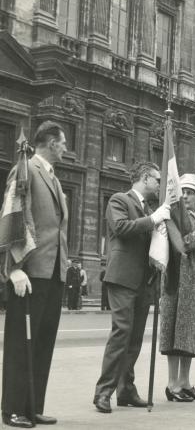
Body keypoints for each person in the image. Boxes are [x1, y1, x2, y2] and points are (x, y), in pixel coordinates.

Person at [1, 121, 68, 427]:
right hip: (29, 271)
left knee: (42, 342)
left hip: (53, 272)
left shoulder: (52, 176)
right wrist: (14, 268)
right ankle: (13, 408)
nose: (66, 148)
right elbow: (12, 216)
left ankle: (32, 405)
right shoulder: (25, 169)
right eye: (63, 143)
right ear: (51, 143)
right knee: (19, 343)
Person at [93, 161, 170, 413]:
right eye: (157, 180)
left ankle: (126, 390)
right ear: (145, 178)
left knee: (135, 339)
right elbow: (122, 228)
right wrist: (152, 219)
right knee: (121, 334)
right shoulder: (119, 200)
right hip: (123, 278)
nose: (159, 184)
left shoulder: (149, 208)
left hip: (143, 281)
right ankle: (103, 392)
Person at [159, 174, 195, 402]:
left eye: (191, 193)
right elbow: (181, 243)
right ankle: (172, 385)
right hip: (177, 282)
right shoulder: (173, 215)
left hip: (194, 283)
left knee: (189, 335)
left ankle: (185, 382)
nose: (186, 196)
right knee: (175, 333)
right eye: (184, 192)